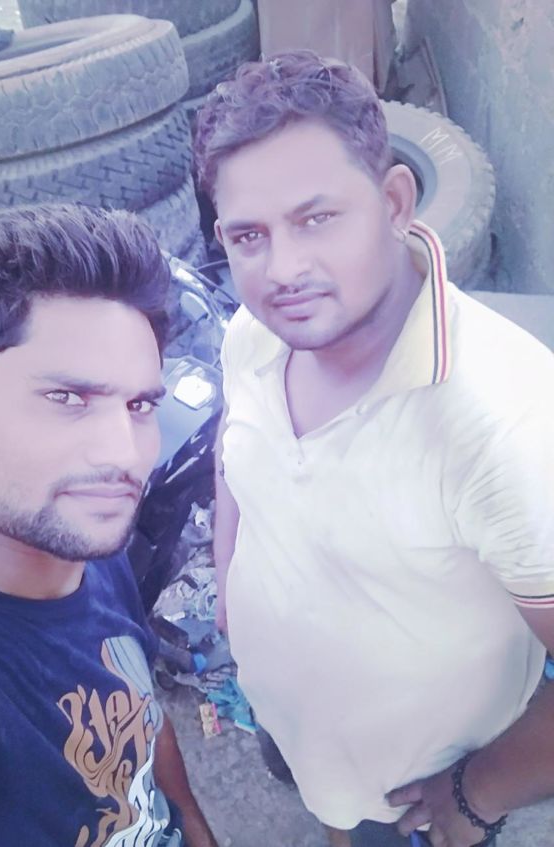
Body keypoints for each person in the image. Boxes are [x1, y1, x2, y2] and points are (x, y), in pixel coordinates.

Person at [194, 50, 554, 847]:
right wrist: (229, 587)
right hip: (293, 725)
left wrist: (476, 793)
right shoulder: (254, 332)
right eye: (249, 235)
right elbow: (235, 451)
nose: (283, 270)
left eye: (316, 218)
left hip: (417, 786)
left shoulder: (503, 421)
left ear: (394, 201)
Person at [0, 204, 218, 847]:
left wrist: (193, 826)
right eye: (67, 398)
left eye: (139, 404)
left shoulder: (89, 548)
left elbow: (141, 713)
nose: (122, 454)